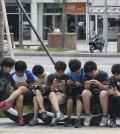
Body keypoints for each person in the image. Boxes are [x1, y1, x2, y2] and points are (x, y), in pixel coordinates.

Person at [0, 60, 35, 126]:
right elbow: (15, 89)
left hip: (29, 94)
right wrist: (15, 86)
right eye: (18, 72)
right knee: (20, 97)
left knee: (22, 88)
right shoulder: (11, 76)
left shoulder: (28, 74)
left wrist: (27, 85)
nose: (20, 74)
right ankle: (20, 118)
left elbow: (32, 87)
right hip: (18, 94)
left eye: (22, 72)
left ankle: (5, 101)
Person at [82, 61, 109, 127]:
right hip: (92, 94)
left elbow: (106, 88)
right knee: (85, 92)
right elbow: (85, 88)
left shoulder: (104, 74)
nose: (90, 74)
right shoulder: (86, 76)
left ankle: (105, 116)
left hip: (102, 94)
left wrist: (98, 84)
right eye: (88, 73)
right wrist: (87, 85)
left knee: (103, 93)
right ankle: (88, 115)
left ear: (96, 69)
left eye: (92, 72)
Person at [47, 61, 69, 126]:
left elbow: (65, 92)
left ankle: (55, 117)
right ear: (55, 70)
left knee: (54, 99)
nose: (59, 74)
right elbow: (52, 90)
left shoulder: (66, 77)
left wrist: (64, 85)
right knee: (52, 94)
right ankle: (58, 113)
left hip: (62, 95)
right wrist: (54, 85)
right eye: (58, 72)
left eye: (61, 72)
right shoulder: (51, 76)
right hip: (53, 94)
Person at [64, 59, 84, 128]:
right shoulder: (69, 73)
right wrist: (68, 83)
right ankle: (68, 119)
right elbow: (66, 85)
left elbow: (86, 86)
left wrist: (80, 85)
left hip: (81, 91)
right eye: (73, 71)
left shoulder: (83, 72)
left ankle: (77, 119)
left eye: (76, 71)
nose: (75, 73)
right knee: (69, 100)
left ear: (80, 68)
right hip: (72, 90)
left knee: (79, 99)